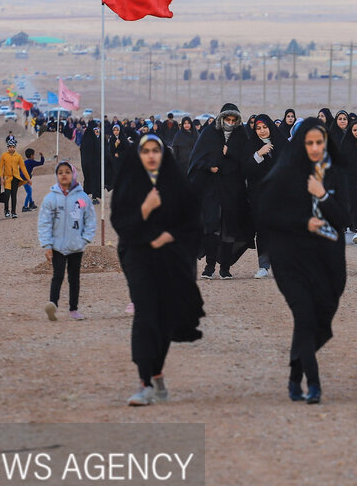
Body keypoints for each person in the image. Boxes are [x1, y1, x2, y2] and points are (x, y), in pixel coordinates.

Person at [255, 117, 351, 404]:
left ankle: (295, 374)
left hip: (327, 259)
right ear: (300, 143)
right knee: (305, 315)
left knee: (316, 319)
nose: (314, 148)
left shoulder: (336, 174)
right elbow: (267, 215)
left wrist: (321, 195)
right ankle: (314, 384)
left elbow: (344, 219)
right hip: (291, 259)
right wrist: (302, 222)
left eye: (319, 142)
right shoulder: (286, 172)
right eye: (308, 143)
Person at [111, 135, 205, 406]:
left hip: (172, 259)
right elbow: (120, 220)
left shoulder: (176, 184)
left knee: (165, 318)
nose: (151, 156)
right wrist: (144, 209)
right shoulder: (130, 183)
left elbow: (193, 224)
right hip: (138, 256)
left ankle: (157, 375)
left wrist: (169, 237)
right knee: (145, 313)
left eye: (156, 150)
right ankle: (144, 383)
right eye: (145, 151)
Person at [187, 102, 252, 279]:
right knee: (212, 225)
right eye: (227, 119)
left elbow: (245, 161)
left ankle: (225, 268)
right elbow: (197, 159)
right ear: (221, 118)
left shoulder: (241, 136)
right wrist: (210, 167)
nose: (230, 123)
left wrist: (229, 153)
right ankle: (209, 267)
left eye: (233, 120)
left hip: (232, 188)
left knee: (229, 226)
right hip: (211, 188)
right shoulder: (209, 133)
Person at [38, 160, 97, 321]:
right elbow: (44, 222)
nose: (64, 175)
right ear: (57, 176)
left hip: (76, 246)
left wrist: (85, 238)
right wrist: (47, 244)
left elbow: (90, 218)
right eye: (60, 172)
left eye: (67, 172)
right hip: (57, 246)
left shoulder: (82, 197)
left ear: (74, 174)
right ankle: (53, 305)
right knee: (57, 276)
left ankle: (74, 309)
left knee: (74, 278)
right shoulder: (51, 198)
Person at [240, 113, 287, 278]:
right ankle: (263, 266)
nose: (261, 131)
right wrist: (258, 155)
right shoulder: (251, 145)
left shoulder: (282, 144)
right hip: (259, 195)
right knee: (263, 229)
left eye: (264, 127)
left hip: (281, 194)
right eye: (258, 128)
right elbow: (244, 169)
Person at [0, 136, 30, 219]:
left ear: (15, 147)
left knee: (14, 195)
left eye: (13, 147)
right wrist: (1, 177)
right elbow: (1, 167)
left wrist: (28, 178)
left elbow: (23, 168)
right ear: (8, 147)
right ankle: (6, 210)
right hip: (7, 178)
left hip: (15, 178)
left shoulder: (18, 156)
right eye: (10, 147)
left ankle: (13, 212)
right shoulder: (4, 156)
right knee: (7, 195)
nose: (11, 149)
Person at [79, 121, 104, 204]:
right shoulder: (93, 138)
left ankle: (84, 197)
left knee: (86, 179)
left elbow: (81, 149)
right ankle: (94, 198)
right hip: (92, 164)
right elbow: (98, 150)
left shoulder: (84, 138)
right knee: (94, 180)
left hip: (84, 163)